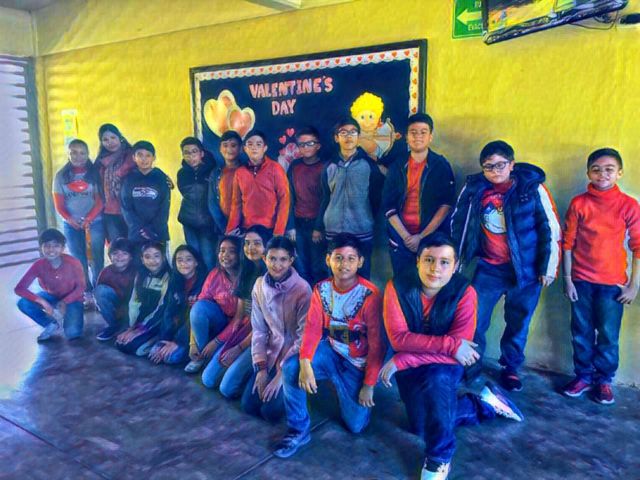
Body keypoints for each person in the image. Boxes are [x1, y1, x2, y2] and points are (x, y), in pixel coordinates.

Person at [382, 233, 524, 480]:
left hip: (444, 366)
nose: (435, 269)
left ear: (456, 265)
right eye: (429, 260)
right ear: (418, 261)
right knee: (420, 427)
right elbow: (399, 340)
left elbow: (461, 353)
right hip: (416, 365)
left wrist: (402, 359)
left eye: (444, 262)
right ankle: (482, 404)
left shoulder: (465, 293)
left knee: (437, 379)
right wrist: (449, 346)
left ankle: (439, 458)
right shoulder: (397, 287)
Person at [450, 140, 561, 391]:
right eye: (488, 166)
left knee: (518, 322)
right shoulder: (475, 188)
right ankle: (471, 367)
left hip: (526, 271)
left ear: (512, 164)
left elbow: (550, 227)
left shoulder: (532, 188)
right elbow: (459, 223)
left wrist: (548, 267)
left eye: (500, 165)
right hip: (488, 268)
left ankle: (510, 368)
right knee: (474, 320)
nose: (495, 171)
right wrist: (456, 260)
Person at [274, 233, 385, 458]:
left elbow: (377, 346)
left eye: (351, 259)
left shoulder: (370, 295)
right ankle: (298, 429)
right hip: (331, 351)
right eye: (338, 258)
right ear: (328, 260)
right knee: (291, 367)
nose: (344, 264)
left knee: (355, 426)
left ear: (360, 262)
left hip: (357, 364)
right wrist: (306, 363)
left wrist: (369, 384)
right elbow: (313, 329)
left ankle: (349, 390)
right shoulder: (321, 289)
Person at [561, 148, 640, 405]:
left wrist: (633, 285)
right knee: (580, 332)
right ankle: (583, 376)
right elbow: (567, 243)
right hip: (581, 282)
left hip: (613, 285)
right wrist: (567, 279)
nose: (602, 174)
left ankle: (604, 381)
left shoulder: (629, 205)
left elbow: (638, 246)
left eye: (609, 169)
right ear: (588, 173)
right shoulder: (579, 203)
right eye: (596, 169)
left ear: (620, 173)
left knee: (607, 335)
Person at [242, 236, 311, 422]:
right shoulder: (259, 286)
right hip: (270, 352)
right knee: (248, 406)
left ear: (291, 260)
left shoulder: (303, 289)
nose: (277, 265)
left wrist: (280, 376)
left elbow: (303, 337)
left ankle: (297, 388)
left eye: (283, 259)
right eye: (272, 258)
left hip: (293, 357)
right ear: (264, 258)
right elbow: (259, 330)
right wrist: (261, 368)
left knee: (270, 413)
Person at [382, 113, 456, 276]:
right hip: (401, 237)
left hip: (431, 238)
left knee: (430, 282)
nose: (418, 136)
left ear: (430, 137)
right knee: (403, 282)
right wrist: (407, 237)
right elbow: (388, 205)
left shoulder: (440, 165)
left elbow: (446, 205)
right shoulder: (397, 165)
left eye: (423, 132)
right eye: (413, 132)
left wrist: (421, 237)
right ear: (406, 137)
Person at [314, 117, 384, 279]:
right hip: (333, 228)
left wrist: (370, 220)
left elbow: (376, 198)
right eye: (343, 133)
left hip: (361, 229)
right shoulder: (329, 166)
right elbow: (325, 198)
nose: (348, 136)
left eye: (353, 132)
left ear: (358, 136)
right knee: (335, 272)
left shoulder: (368, 165)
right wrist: (318, 226)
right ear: (336, 138)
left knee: (362, 272)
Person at [185, 235, 244, 374]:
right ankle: (200, 356)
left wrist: (216, 342)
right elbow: (197, 309)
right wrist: (192, 344)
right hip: (221, 323)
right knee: (199, 307)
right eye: (222, 251)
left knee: (210, 377)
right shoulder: (215, 274)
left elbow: (239, 319)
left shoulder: (246, 276)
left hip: (240, 329)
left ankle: (209, 355)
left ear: (240, 254)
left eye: (231, 251)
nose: (225, 255)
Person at [15, 228, 85, 341]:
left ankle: (71, 315)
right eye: (47, 246)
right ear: (41, 248)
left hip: (73, 299)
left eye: (56, 246)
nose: (51, 250)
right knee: (23, 303)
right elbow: (19, 289)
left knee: (73, 333)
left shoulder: (74, 263)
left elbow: (81, 288)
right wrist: (42, 302)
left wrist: (65, 302)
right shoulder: (38, 265)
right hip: (52, 297)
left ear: (63, 248)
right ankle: (50, 324)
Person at [52, 139, 105, 287]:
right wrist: (70, 219)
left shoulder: (95, 174)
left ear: (88, 154)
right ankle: (85, 288)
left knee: (96, 258)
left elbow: (100, 200)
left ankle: (98, 287)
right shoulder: (61, 176)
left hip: (95, 222)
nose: (78, 156)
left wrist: (88, 219)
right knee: (77, 259)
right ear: (68, 154)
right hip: (71, 224)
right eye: (74, 152)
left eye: (82, 153)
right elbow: (59, 205)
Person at [148, 245, 207, 365]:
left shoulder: (204, 282)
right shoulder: (175, 280)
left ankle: (187, 350)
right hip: (176, 328)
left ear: (196, 262)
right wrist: (165, 339)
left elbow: (194, 319)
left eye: (188, 259)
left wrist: (177, 342)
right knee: (155, 352)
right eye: (179, 260)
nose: (183, 264)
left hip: (193, 334)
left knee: (171, 358)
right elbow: (169, 311)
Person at [226, 129, 290, 236]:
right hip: (248, 229)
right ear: (245, 149)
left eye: (258, 144)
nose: (254, 147)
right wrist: (230, 229)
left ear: (265, 148)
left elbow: (284, 200)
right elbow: (236, 204)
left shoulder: (276, 169)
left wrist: (278, 231)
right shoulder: (240, 172)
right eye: (250, 144)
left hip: (270, 229)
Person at [287, 126, 328, 285]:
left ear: (318, 145)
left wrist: (319, 227)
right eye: (302, 144)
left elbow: (327, 199)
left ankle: (319, 297)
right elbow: (289, 197)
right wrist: (291, 226)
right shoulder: (294, 166)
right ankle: (305, 297)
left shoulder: (325, 166)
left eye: (310, 143)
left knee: (318, 266)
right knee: (301, 265)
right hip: (299, 223)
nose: (306, 147)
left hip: (318, 224)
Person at [115, 241, 170, 356]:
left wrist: (141, 328)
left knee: (134, 348)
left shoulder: (168, 277)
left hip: (158, 321)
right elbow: (134, 302)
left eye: (156, 256)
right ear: (142, 259)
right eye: (147, 257)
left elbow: (162, 307)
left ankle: (155, 338)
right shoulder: (140, 275)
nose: (152, 261)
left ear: (163, 258)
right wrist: (132, 328)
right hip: (141, 321)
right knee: (120, 343)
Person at [120, 141, 171, 251]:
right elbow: (126, 206)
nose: (144, 159)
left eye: (148, 155)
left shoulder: (161, 177)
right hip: (136, 233)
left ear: (154, 158)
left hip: (158, 232)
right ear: (134, 158)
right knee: (138, 259)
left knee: (158, 259)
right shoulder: (128, 179)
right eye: (140, 155)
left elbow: (164, 207)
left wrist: (151, 229)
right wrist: (140, 228)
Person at [177, 137, 217, 270]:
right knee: (193, 258)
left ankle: (210, 283)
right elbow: (184, 193)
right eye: (186, 153)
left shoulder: (212, 171)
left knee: (208, 259)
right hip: (188, 221)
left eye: (194, 152)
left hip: (207, 223)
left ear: (201, 153)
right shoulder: (182, 173)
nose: (191, 156)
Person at [94, 124, 135, 242]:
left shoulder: (132, 156)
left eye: (113, 137)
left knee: (135, 246)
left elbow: (145, 172)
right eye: (105, 140)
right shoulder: (100, 162)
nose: (110, 142)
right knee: (117, 247)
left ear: (119, 137)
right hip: (110, 211)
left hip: (131, 210)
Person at [92, 237, 136, 341]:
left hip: (133, 307)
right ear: (110, 256)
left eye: (124, 253)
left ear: (131, 257)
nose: (119, 257)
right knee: (100, 290)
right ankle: (113, 326)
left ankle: (128, 326)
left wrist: (125, 309)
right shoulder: (106, 272)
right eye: (115, 253)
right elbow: (99, 296)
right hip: (115, 307)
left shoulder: (136, 271)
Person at [208, 130, 243, 236]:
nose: (229, 149)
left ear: (241, 149)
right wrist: (225, 228)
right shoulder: (216, 173)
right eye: (225, 145)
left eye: (233, 145)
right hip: (222, 228)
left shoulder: (247, 171)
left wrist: (240, 227)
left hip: (244, 228)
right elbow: (212, 202)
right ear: (220, 149)